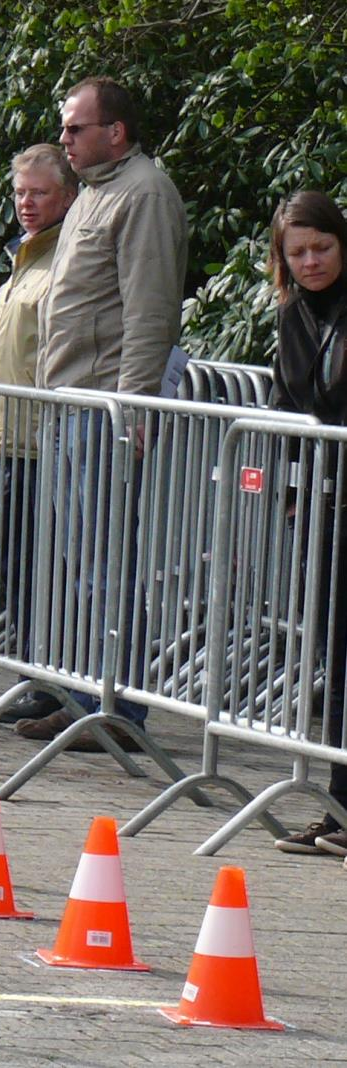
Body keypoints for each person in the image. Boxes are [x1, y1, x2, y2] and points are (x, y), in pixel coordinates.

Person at [22, 75, 187, 750]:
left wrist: (132, 405)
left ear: (114, 132)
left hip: (105, 409)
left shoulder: (143, 193)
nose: (65, 140)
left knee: (106, 561)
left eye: (75, 128)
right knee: (81, 560)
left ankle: (118, 708)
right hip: (74, 403)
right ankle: (87, 694)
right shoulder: (96, 193)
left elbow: (149, 310)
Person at [263, 190, 347, 858]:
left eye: (322, 246)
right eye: (299, 252)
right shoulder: (294, 314)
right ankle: (336, 805)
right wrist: (289, 493)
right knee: (332, 659)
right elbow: (285, 404)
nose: (312, 260)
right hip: (320, 506)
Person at [0, 144, 76, 721]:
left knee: (45, 566)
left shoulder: (66, 257)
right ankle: (29, 675)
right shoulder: (25, 257)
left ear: (66, 195)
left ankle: (48, 681)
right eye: (20, 192)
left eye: (39, 192)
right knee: (16, 562)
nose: (27, 203)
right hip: (14, 437)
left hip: (49, 440)